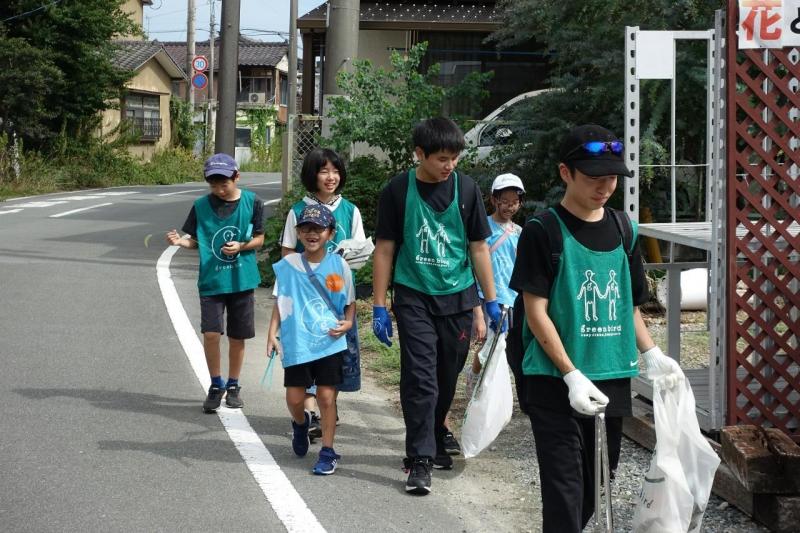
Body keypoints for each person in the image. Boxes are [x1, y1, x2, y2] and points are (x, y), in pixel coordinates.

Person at [508, 124, 685, 532]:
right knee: (564, 489)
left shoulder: (625, 228)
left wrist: (652, 354)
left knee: (597, 484)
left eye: (611, 178)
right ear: (565, 173)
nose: (605, 187)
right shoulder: (542, 230)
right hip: (554, 380)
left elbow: (629, 305)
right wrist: (570, 374)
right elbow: (535, 312)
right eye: (593, 178)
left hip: (611, 378)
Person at [372, 117, 501, 495]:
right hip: (413, 295)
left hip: (459, 297)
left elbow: (478, 247)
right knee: (420, 377)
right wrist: (379, 305)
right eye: (442, 158)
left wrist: (489, 301)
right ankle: (420, 460)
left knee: (448, 374)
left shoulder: (467, 190)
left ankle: (435, 428)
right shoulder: (398, 190)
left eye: (455, 158)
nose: (450, 165)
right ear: (420, 154)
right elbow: (385, 249)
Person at [166, 153, 265, 413]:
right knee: (211, 333)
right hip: (212, 280)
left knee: (237, 336)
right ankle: (215, 384)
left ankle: (233, 385)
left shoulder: (253, 202)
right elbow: (193, 241)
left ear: (237, 177)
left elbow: (260, 238)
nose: (219, 190)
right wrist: (179, 242)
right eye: (214, 185)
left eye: (225, 184)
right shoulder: (200, 206)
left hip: (241, 279)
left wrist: (242, 246)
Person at [280, 147, 365, 441]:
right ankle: (312, 413)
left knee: (334, 357)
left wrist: (346, 256)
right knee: (306, 353)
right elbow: (288, 251)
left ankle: (327, 407)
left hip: (337, 300)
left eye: (335, 171)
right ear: (312, 174)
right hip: (306, 300)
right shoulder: (297, 210)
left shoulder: (350, 210)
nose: (331, 177)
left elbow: (362, 252)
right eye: (324, 171)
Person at [267, 204, 355, 475]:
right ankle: (301, 423)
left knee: (327, 397)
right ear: (298, 233)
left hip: (329, 341)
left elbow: (348, 301)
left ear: (330, 233)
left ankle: (328, 451)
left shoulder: (338, 265)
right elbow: (281, 300)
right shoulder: (288, 265)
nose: (311, 233)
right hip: (297, 342)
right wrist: (272, 332)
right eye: (305, 228)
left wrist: (349, 321)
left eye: (318, 228)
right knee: (294, 398)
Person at [465, 173, 525, 399]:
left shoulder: (519, 232)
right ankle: (474, 378)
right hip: (489, 297)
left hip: (512, 298)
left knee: (507, 347)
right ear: (494, 200)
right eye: (505, 201)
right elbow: (474, 263)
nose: (510, 206)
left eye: (514, 202)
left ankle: (494, 389)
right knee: (488, 345)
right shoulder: (483, 228)